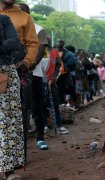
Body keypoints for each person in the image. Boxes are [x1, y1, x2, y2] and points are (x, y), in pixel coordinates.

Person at [17, 3, 49, 150]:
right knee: (18, 108)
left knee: (36, 106)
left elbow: (41, 50)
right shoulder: (10, 28)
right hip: (14, 73)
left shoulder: (38, 29)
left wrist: (30, 63)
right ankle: (18, 142)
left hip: (33, 74)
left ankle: (40, 137)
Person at [0, 14, 23, 180]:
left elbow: (14, 42)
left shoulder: (3, 19)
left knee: (9, 121)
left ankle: (9, 170)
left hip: (5, 73)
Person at [56, 39, 76, 108]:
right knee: (57, 90)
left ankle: (67, 104)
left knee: (67, 89)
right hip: (55, 75)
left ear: (63, 43)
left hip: (64, 74)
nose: (59, 43)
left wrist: (65, 66)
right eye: (58, 42)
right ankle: (60, 104)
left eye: (61, 42)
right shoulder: (53, 51)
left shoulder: (68, 53)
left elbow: (73, 62)